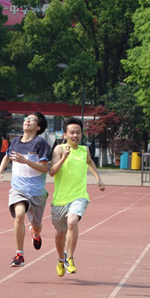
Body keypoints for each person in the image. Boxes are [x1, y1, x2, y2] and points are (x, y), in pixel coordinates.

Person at [0, 112, 50, 267]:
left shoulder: (41, 143)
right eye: (26, 119)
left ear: (38, 127)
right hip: (18, 189)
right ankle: (20, 254)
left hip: (36, 191)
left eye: (32, 120)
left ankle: (36, 233)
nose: (27, 121)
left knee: (36, 225)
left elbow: (44, 168)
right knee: (19, 216)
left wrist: (25, 161)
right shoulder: (16, 142)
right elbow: (7, 156)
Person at [50, 118, 105, 277]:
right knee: (60, 234)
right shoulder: (59, 149)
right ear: (65, 134)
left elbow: (90, 163)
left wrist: (98, 178)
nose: (75, 135)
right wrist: (64, 158)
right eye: (72, 132)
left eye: (78, 132)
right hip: (60, 200)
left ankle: (71, 258)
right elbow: (52, 172)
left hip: (79, 196)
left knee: (72, 222)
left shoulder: (84, 150)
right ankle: (61, 259)